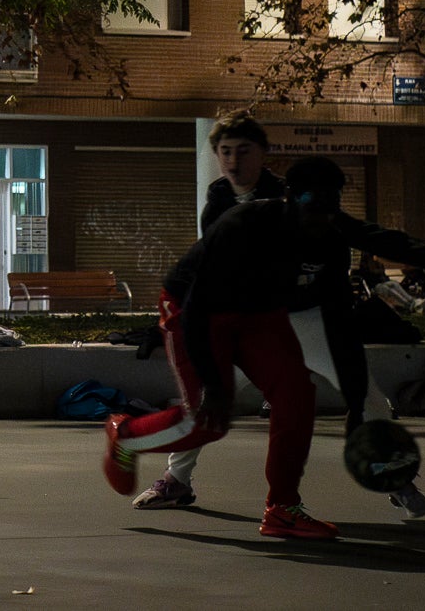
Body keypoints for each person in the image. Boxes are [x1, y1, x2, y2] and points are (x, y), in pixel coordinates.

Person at [102, 159, 350, 539]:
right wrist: (216, 388)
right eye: (313, 207)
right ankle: (128, 435)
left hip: (256, 314)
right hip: (194, 309)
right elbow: (198, 308)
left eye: (330, 207)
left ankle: (282, 507)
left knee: (297, 393)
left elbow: (377, 240)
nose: (321, 218)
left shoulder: (329, 228)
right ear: (290, 200)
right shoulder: (244, 227)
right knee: (206, 422)